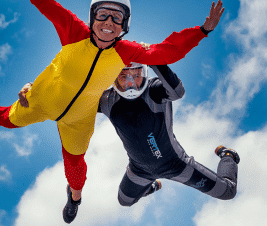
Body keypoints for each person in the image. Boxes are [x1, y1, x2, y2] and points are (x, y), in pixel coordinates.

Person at [0, 0, 224, 224]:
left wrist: (202, 31)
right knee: (2, 119)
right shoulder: (73, 30)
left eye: (117, 18)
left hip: (79, 116)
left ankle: (74, 198)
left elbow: (168, 51)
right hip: (43, 99)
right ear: (92, 18)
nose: (108, 23)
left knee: (76, 170)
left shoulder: (128, 51)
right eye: (103, 15)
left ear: (124, 25)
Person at [18, 62, 239, 220]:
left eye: (136, 75)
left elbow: (178, 91)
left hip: (177, 165)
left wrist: (154, 58)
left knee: (227, 192)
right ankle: (151, 186)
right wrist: (34, 88)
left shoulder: (153, 90)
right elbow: (67, 99)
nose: (131, 83)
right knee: (124, 201)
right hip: (139, 170)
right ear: (114, 79)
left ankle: (229, 156)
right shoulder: (106, 99)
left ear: (145, 73)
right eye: (124, 76)